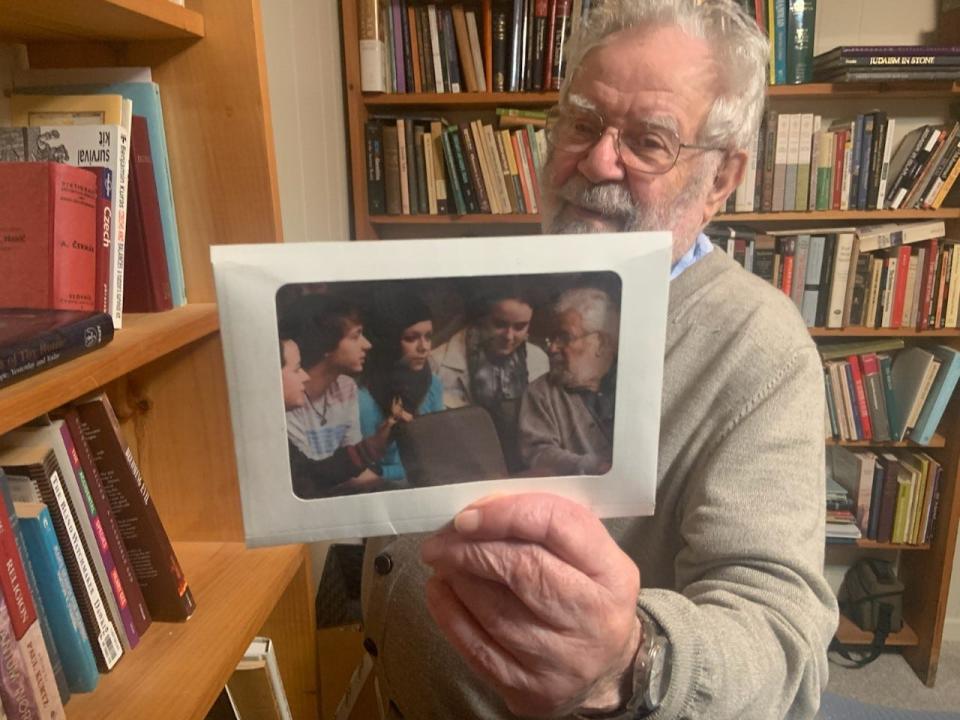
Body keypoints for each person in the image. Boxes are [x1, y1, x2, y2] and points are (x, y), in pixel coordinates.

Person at [362, 2, 838, 719]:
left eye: (648, 141)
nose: (596, 160)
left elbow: (779, 637)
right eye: (582, 124)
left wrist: (631, 663)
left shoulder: (760, 351)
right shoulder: (512, 279)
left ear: (718, 181)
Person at [284, 294, 401, 498]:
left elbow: (352, 470)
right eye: (355, 336)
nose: (367, 345)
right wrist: (372, 446)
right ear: (326, 343)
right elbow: (313, 479)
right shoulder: (289, 400)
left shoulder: (346, 387)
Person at [518, 287, 618, 476]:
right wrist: (594, 467)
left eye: (564, 337)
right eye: (552, 339)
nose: (552, 348)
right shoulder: (541, 393)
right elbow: (538, 454)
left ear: (601, 343)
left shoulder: (629, 383)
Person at [358, 292, 444, 486]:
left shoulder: (433, 385)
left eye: (428, 337)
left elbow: (439, 453)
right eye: (411, 338)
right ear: (389, 341)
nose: (424, 348)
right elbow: (366, 469)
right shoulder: (362, 398)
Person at [430, 284, 549, 411]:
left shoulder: (539, 360)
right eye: (500, 324)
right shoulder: (436, 363)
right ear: (481, 318)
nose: (509, 336)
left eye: (520, 327)